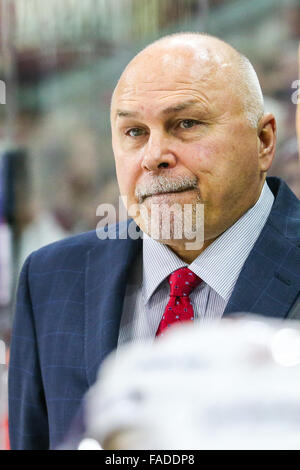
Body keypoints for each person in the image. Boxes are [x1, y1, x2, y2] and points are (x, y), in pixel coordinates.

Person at [8, 33, 300, 450]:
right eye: (134, 131)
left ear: (264, 141)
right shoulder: (51, 278)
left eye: (186, 124)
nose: (154, 155)